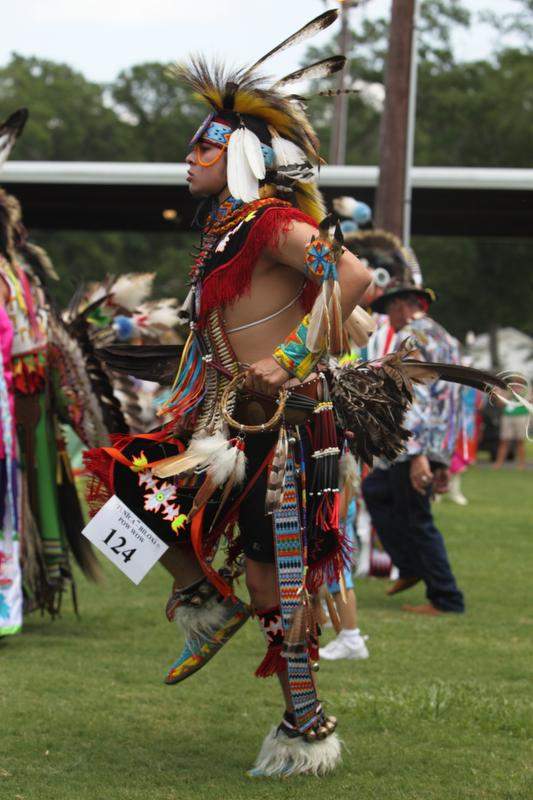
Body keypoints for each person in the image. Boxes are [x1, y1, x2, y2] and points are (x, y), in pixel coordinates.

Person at [85, 10, 377, 777]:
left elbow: (352, 277)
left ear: (242, 154)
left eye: (204, 146)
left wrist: (287, 359)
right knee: (121, 490)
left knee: (274, 582)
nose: (188, 157)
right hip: (225, 419)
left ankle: (305, 726)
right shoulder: (226, 228)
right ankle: (203, 605)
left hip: (280, 426)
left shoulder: (275, 221)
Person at [362, 276, 466, 616]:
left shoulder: (413, 338)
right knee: (378, 490)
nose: (386, 319)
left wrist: (421, 455)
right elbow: (452, 400)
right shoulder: (445, 337)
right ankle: (410, 567)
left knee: (417, 518)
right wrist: (443, 457)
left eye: (386, 310)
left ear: (399, 305)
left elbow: (417, 396)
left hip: (415, 441)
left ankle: (446, 597)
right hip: (434, 439)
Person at [493, 396, 529, 470]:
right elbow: (499, 403)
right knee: (504, 441)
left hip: (521, 416)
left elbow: (529, 401)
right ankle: (499, 463)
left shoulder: (526, 389)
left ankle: (522, 464)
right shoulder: (506, 388)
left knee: (520, 441)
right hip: (507, 416)